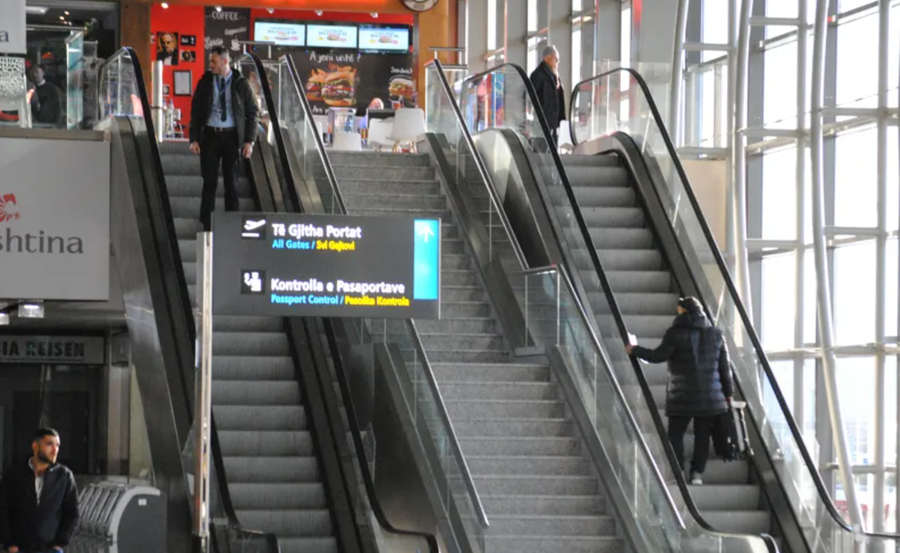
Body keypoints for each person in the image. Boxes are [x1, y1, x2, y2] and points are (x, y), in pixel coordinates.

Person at [625, 297, 733, 485]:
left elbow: (657, 356)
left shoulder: (675, 334)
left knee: (675, 433)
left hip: (681, 395)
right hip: (710, 397)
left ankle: (677, 472)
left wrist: (635, 350)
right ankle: (697, 474)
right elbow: (725, 368)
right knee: (702, 434)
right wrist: (728, 393)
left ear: (683, 311)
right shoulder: (716, 334)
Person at [189, 45, 259, 231]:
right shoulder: (205, 82)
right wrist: (194, 138)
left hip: (231, 137)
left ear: (225, 61)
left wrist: (249, 141)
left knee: (232, 183)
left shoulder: (240, 83)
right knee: (209, 181)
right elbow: (195, 111)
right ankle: (207, 224)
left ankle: (232, 224)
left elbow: (253, 113)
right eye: (210, 61)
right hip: (210, 135)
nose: (210, 64)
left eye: (213, 61)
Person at [0, 428, 79, 553]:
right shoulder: (14, 474)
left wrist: (60, 544)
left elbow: (72, 513)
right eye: (49, 444)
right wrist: (9, 543)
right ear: (35, 446)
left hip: (50, 549)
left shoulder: (64, 476)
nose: (55, 450)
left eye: (57, 445)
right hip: (19, 549)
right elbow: (2, 510)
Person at [529, 45, 566, 145]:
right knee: (542, 150)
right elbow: (531, 98)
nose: (558, 62)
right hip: (542, 124)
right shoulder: (538, 75)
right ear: (547, 58)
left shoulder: (555, 77)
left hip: (553, 124)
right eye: (556, 59)